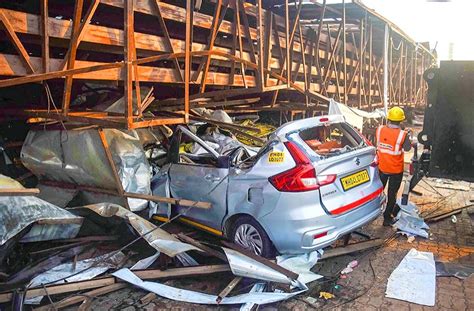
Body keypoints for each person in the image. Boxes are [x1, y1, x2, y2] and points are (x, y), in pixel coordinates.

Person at [376, 107, 412, 226]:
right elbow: (407, 148)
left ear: (389, 118)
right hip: (395, 170)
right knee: (392, 193)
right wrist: (408, 136)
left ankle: (372, 212)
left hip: (381, 168)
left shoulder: (380, 129)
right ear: (401, 121)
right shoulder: (403, 134)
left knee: (378, 191)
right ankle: (387, 218)